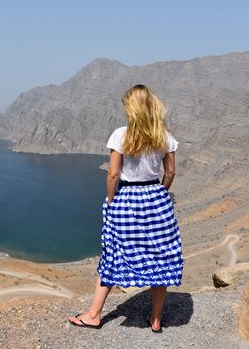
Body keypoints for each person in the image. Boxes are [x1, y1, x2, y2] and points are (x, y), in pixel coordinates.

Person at [68, 84, 183, 333]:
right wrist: (160, 192)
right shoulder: (165, 135)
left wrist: (112, 201)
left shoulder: (121, 135)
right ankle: (155, 320)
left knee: (112, 254)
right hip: (156, 197)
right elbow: (171, 172)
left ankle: (93, 315)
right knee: (160, 257)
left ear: (130, 108)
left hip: (126, 197)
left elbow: (113, 174)